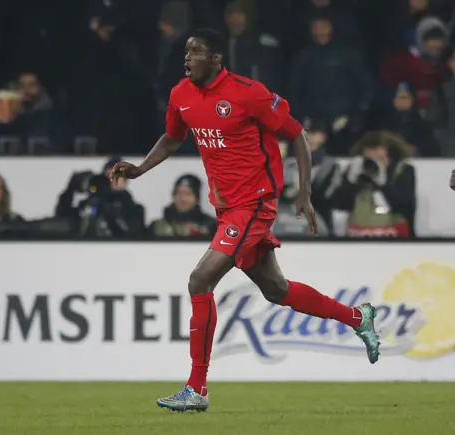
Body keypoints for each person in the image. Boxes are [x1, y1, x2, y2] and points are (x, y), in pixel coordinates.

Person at [110, 28, 379, 413]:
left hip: (254, 204)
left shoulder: (248, 92)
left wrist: (304, 192)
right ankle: (357, 317)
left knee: (200, 279)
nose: (188, 58)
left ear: (217, 58)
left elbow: (298, 134)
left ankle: (196, 388)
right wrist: (139, 169)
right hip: (227, 207)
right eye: (186, 52)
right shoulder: (180, 96)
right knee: (277, 290)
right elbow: (172, 138)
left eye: (197, 52)